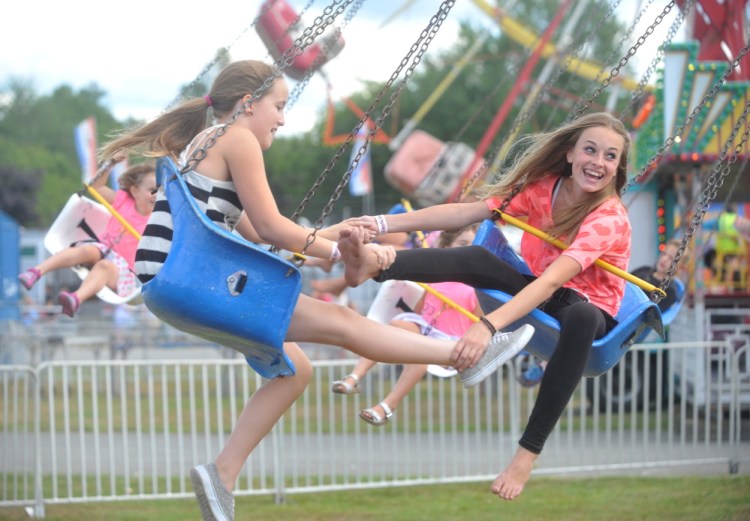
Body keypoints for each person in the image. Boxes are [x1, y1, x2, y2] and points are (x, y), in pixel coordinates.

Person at [98, 60, 534, 521]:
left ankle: (222, 474)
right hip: (191, 281)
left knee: (294, 370)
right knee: (345, 323)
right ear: (248, 104)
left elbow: (255, 233)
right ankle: (462, 356)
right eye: (280, 106)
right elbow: (271, 226)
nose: (283, 119)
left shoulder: (200, 145)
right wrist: (341, 255)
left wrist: (336, 233)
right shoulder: (237, 138)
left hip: (171, 285)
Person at [338, 112, 632, 501]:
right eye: (590, 150)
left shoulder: (608, 216)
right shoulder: (545, 188)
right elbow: (465, 212)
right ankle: (377, 263)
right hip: (542, 289)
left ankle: (526, 454)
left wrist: (487, 326)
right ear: (569, 153)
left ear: (617, 168)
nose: (598, 161)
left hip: (586, 307)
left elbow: (553, 281)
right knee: (477, 255)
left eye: (610, 156)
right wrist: (380, 224)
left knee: (578, 315)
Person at [333, 224, 481, 426]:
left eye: (473, 245)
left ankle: (387, 406)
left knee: (418, 350)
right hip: (425, 329)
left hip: (449, 343)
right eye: (463, 243)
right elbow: (421, 309)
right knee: (394, 325)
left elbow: (480, 323)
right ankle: (354, 377)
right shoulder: (436, 277)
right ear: (448, 248)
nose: (468, 248)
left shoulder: (478, 286)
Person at [18, 161, 157, 317]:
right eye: (152, 190)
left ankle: (76, 298)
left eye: (161, 191)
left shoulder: (157, 220)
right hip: (102, 249)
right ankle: (36, 272)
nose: (157, 195)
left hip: (122, 269)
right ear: (135, 190)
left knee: (104, 266)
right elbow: (96, 187)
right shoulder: (123, 200)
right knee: (87, 250)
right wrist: (111, 164)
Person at [630, 238, 682, 313]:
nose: (664, 259)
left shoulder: (669, 292)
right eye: (664, 253)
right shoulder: (644, 269)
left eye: (671, 258)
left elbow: (650, 315)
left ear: (680, 268)